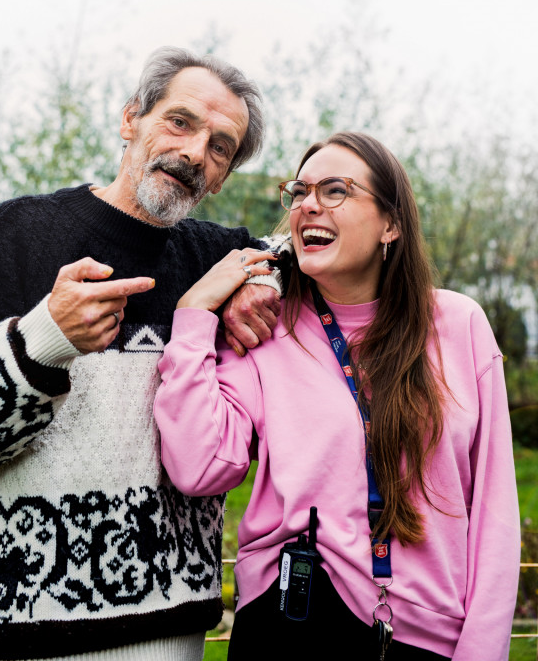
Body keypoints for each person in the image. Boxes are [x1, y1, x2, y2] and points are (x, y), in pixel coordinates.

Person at [0, 46, 284, 661]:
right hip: (24, 630)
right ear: (131, 118)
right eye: (179, 122)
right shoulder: (20, 232)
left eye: (219, 147)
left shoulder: (218, 257)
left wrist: (263, 283)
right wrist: (43, 339)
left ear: (223, 175)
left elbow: (298, 251)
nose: (193, 153)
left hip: (173, 629)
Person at [154, 131, 521, 660]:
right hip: (290, 622)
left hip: (428, 635)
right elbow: (199, 466)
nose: (307, 205)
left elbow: (494, 509)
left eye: (334, 191)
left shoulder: (458, 324)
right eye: (299, 191)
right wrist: (192, 319)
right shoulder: (263, 325)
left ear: (391, 224)